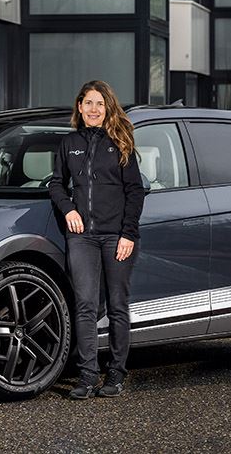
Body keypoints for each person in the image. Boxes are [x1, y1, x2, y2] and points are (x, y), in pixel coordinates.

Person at [49, 80, 145, 399]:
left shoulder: (120, 141)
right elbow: (56, 185)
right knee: (85, 305)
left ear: (108, 108)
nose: (94, 109)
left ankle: (116, 373)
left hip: (116, 236)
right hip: (82, 237)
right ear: (79, 107)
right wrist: (68, 211)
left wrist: (128, 233)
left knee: (117, 305)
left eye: (100, 104)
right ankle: (88, 375)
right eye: (89, 103)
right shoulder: (69, 143)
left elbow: (134, 191)